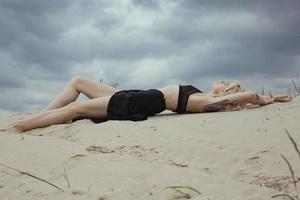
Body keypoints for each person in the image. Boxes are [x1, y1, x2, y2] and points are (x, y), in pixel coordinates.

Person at [0, 75, 293, 133]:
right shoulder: (201, 94)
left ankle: (19, 127)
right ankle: (41, 115)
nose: (219, 81)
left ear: (225, 91)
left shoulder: (207, 100)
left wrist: (267, 98)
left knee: (74, 110)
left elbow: (246, 96)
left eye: (224, 82)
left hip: (139, 102)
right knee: (78, 81)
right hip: (139, 94)